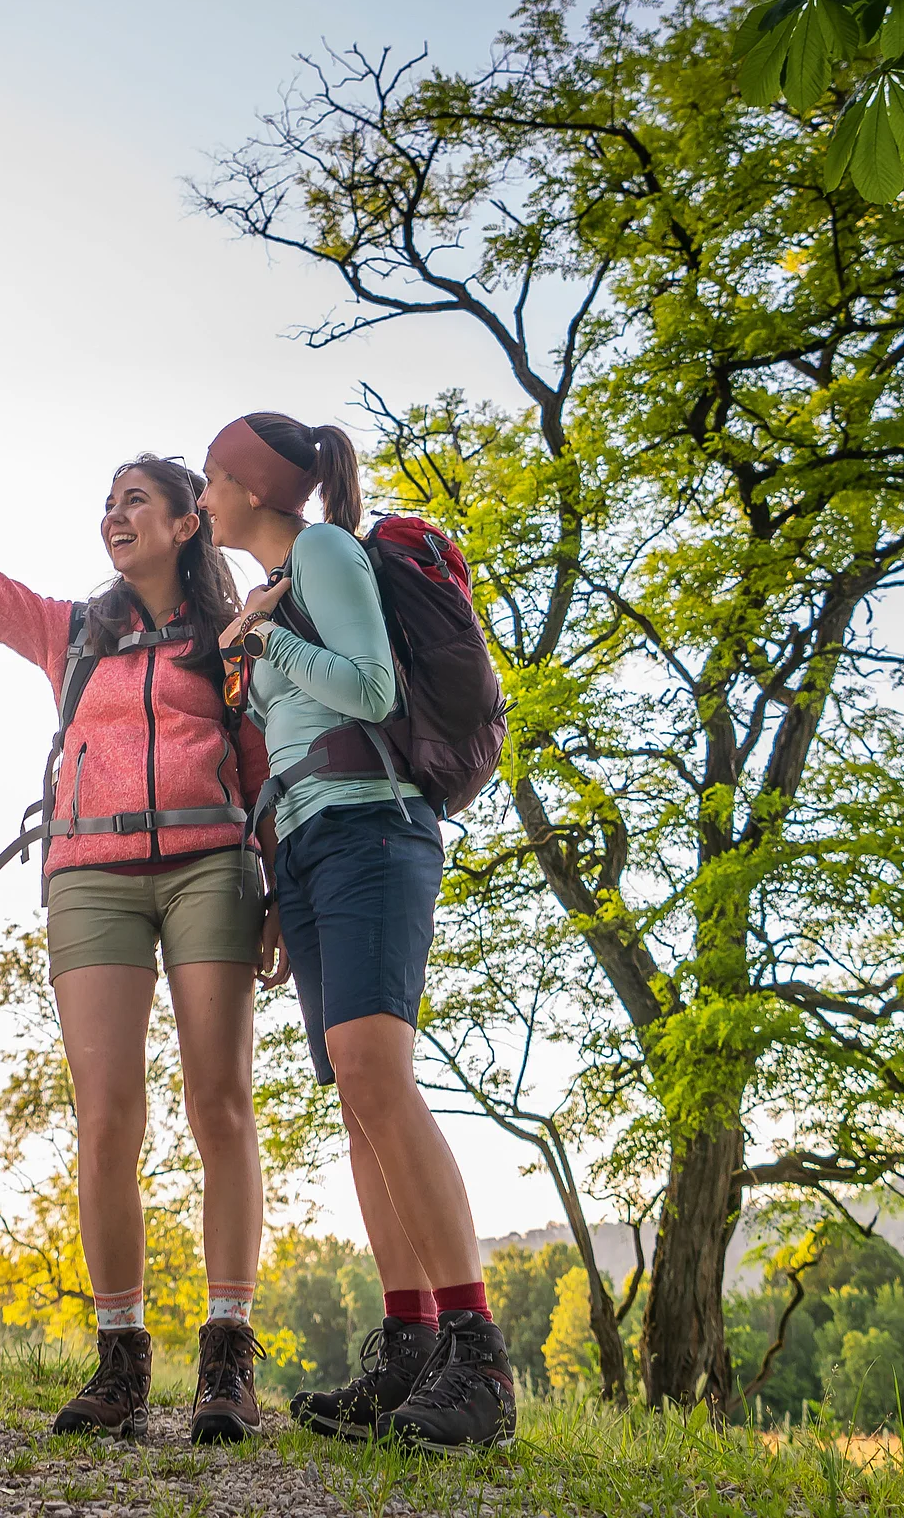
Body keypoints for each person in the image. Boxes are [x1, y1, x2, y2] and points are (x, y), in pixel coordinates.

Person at [0, 380, 276, 1444]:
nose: (112, 517)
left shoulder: (235, 637)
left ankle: (227, 1359)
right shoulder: (71, 632)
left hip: (213, 866)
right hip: (89, 878)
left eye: (131, 500)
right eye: (104, 504)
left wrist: (280, 903)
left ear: (186, 520)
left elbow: (263, 775)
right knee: (107, 1116)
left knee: (221, 1104)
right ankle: (120, 1361)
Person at [200, 411, 517, 1454]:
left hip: (375, 829)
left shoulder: (326, 549)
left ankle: (478, 1360)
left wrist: (270, 638)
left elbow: (372, 689)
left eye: (210, 479)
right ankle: (410, 1348)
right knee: (357, 1106)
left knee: (380, 1079)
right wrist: (275, 882)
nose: (203, 498)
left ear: (252, 487)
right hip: (309, 845)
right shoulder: (278, 584)